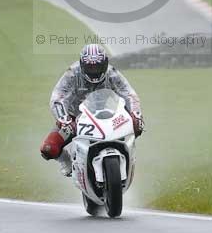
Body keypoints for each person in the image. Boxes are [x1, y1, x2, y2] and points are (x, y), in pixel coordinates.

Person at [40, 44, 144, 176]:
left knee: (137, 126)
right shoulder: (72, 73)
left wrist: (136, 114)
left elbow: (129, 94)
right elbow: (57, 98)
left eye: (98, 67)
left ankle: (127, 155)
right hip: (74, 119)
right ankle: (66, 161)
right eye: (90, 67)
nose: (94, 71)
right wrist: (64, 120)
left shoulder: (112, 73)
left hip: (107, 116)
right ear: (82, 65)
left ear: (105, 64)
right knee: (49, 148)